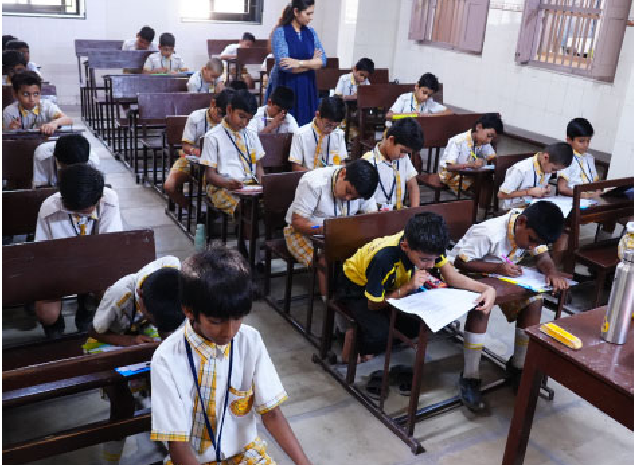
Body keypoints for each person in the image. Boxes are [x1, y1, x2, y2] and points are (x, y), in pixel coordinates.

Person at [150, 248, 314, 465]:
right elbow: (178, 446)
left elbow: (271, 414)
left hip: (244, 454)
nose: (229, 332)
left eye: (237, 318)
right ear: (189, 311)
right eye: (216, 322)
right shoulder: (166, 359)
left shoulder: (250, 340)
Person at [339, 212, 496, 397]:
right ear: (405, 246)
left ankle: (368, 343)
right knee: (380, 333)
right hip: (355, 288)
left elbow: (451, 277)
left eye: (434, 259)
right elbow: (374, 304)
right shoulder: (384, 258)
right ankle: (353, 337)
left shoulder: (430, 247)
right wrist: (407, 288)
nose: (430, 265)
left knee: (417, 324)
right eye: (424, 260)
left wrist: (486, 289)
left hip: (392, 284)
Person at [452, 201, 569, 411]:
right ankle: (470, 376)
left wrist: (551, 272)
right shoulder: (488, 233)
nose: (532, 247)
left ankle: (519, 366)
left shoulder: (530, 227)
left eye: (537, 242)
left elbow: (542, 256)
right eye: (531, 240)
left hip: (499, 277)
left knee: (534, 301)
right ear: (522, 222)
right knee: (483, 306)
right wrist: (497, 267)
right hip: (466, 276)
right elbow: (461, 263)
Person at [85, 256, 183, 465]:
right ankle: (111, 457)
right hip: (109, 340)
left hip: (145, 337)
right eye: (152, 316)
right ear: (140, 297)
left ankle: (174, 447)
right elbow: (94, 331)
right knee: (123, 405)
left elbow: (168, 328)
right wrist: (129, 341)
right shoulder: (120, 294)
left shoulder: (175, 280)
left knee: (171, 390)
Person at [34, 164, 124, 338]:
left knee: (112, 296)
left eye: (85, 210)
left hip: (97, 266)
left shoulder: (109, 200)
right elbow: (43, 252)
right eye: (75, 211)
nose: (81, 214)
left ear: (98, 198)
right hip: (61, 270)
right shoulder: (49, 208)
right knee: (47, 313)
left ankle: (87, 307)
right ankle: (56, 331)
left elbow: (110, 245)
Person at [284, 159, 379, 296]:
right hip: (302, 232)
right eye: (347, 191)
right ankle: (328, 301)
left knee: (370, 251)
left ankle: (356, 297)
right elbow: (298, 222)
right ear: (342, 173)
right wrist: (325, 228)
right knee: (326, 257)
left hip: (340, 234)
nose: (348, 198)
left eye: (354, 198)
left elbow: (371, 218)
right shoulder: (314, 182)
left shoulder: (364, 189)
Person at [200, 89, 263, 217]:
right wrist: (228, 183)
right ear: (229, 109)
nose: (244, 123)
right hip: (221, 187)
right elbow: (210, 175)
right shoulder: (213, 136)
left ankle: (250, 228)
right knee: (247, 208)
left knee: (273, 202)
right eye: (241, 116)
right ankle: (246, 230)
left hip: (250, 186)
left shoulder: (251, 135)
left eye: (249, 120)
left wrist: (264, 184)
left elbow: (258, 167)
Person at [164, 90, 231, 208]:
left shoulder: (230, 122)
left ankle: (213, 212)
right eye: (220, 113)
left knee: (219, 189)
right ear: (212, 104)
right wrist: (199, 152)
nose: (221, 119)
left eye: (224, 116)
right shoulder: (195, 118)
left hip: (217, 165)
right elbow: (186, 146)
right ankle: (191, 210)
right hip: (191, 160)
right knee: (170, 187)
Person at [267, 0, 327, 125]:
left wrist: (299, 63)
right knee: (283, 125)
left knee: (306, 125)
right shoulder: (280, 33)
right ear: (296, 11)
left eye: (312, 13)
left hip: (307, 85)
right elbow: (286, 66)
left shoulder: (311, 33)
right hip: (286, 85)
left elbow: (323, 60)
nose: (311, 18)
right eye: (308, 13)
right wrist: (312, 63)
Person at [361, 118, 424, 210]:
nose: (403, 155)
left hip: (397, 210)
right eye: (402, 151)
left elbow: (413, 186)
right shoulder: (368, 161)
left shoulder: (403, 158)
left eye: (407, 153)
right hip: (374, 212)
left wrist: (415, 211)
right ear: (391, 140)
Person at [498, 142, 573, 210]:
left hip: (534, 206)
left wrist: (545, 189)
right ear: (546, 157)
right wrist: (528, 192)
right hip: (514, 209)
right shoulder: (521, 169)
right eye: (554, 169)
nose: (554, 172)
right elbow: (501, 195)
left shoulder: (545, 165)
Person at [438, 113, 503, 193]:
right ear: (478, 127)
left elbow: (493, 158)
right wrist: (470, 165)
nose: (489, 140)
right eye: (488, 135)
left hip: (469, 174)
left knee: (488, 180)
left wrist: (501, 163)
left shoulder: (484, 142)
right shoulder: (457, 141)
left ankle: (478, 198)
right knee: (480, 184)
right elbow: (449, 167)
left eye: (492, 138)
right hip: (450, 175)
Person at [289, 96, 347, 171]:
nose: (330, 130)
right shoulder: (300, 134)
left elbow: (342, 164)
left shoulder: (339, 134)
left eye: (335, 126)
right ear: (317, 115)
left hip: (332, 177)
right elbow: (296, 168)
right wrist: (318, 175)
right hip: (308, 176)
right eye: (328, 125)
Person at [3, 71, 72, 134]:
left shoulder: (46, 106)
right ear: (15, 94)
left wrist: (54, 123)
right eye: (26, 94)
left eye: (36, 94)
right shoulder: (9, 112)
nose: (31, 99)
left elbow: (68, 120)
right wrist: (10, 130)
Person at [33, 133, 100, 187]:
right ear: (58, 161)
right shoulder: (42, 154)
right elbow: (41, 186)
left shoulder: (93, 162)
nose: (72, 173)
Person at [557, 118, 600, 197]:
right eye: (581, 141)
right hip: (571, 199)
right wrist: (585, 195)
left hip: (589, 199)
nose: (586, 145)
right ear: (569, 140)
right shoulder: (565, 157)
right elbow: (562, 188)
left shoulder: (589, 158)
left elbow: (596, 184)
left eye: (588, 141)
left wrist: (598, 193)